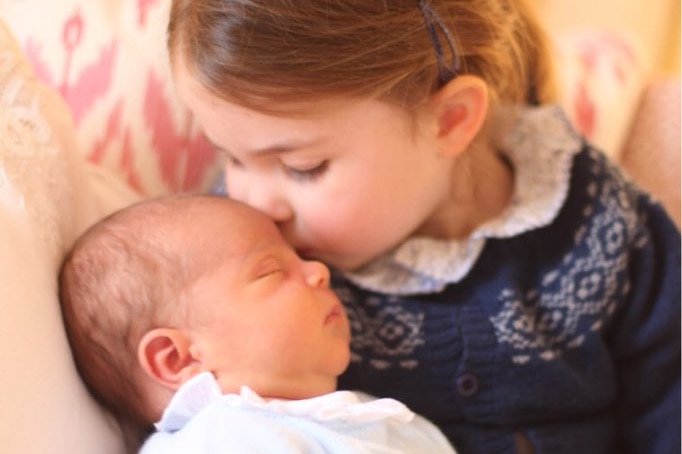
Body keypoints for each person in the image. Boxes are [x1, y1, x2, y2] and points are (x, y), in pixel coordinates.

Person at [165, 1, 682, 453]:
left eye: (303, 167)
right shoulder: (249, 260)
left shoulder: (599, 221)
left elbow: (669, 395)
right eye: (230, 157)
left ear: (450, 120)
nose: (255, 201)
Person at [58, 195, 457, 453]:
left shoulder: (368, 417)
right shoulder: (221, 438)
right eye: (270, 271)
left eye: (298, 257)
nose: (319, 270)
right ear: (178, 359)